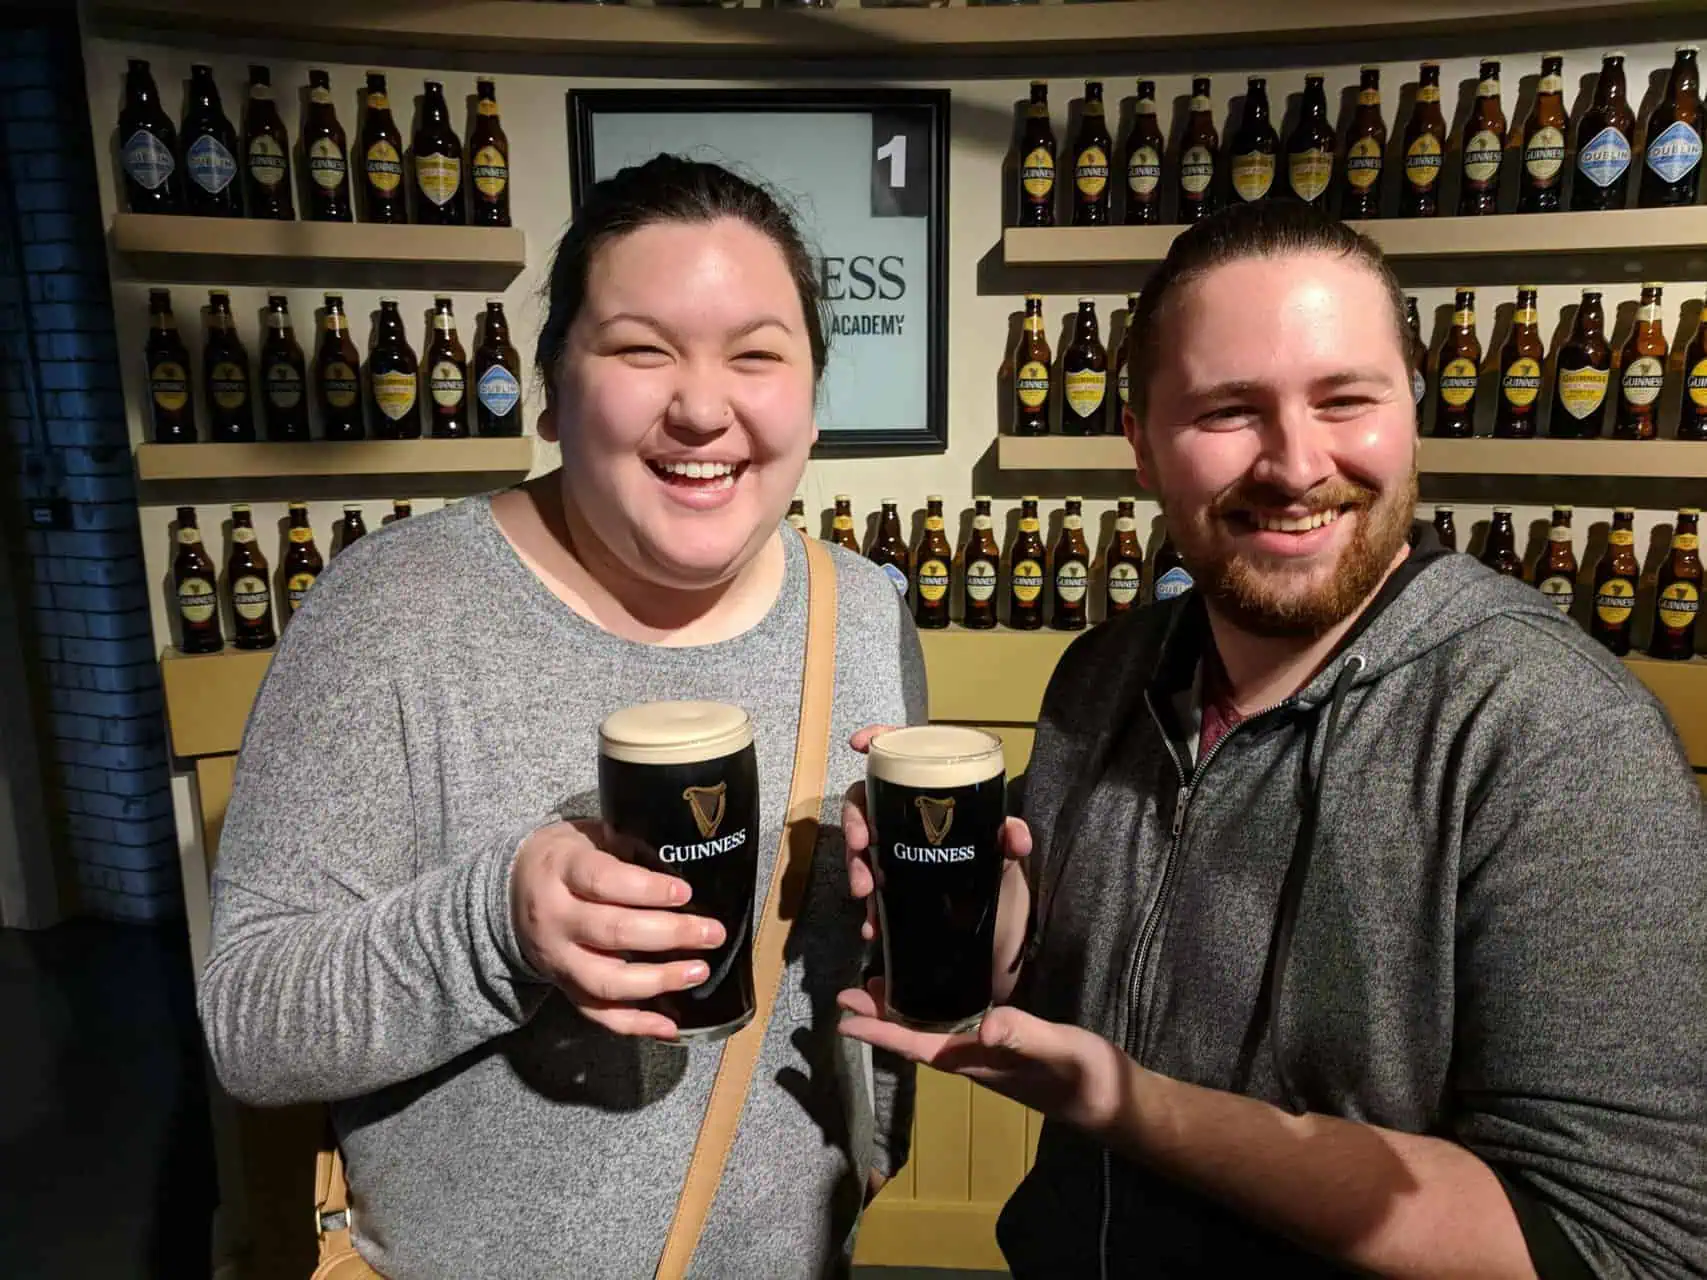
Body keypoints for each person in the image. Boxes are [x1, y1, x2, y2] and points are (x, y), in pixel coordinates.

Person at [839, 201, 1707, 1277]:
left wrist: (1138, 1107)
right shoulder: (1103, 678)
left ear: (1412, 416)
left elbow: (1620, 1241)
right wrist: (984, 915)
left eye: (1346, 399)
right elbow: (1066, 984)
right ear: (1143, 448)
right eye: (1228, 411)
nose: (1297, 464)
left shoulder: (1552, 735)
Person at [199, 156, 924, 1278]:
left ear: (812, 401)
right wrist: (499, 926)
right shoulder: (393, 610)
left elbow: (857, 976)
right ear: (551, 390)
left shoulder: (865, 610)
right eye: (642, 348)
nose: (701, 403)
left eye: (758, 352)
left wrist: (877, 1148)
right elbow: (250, 1018)